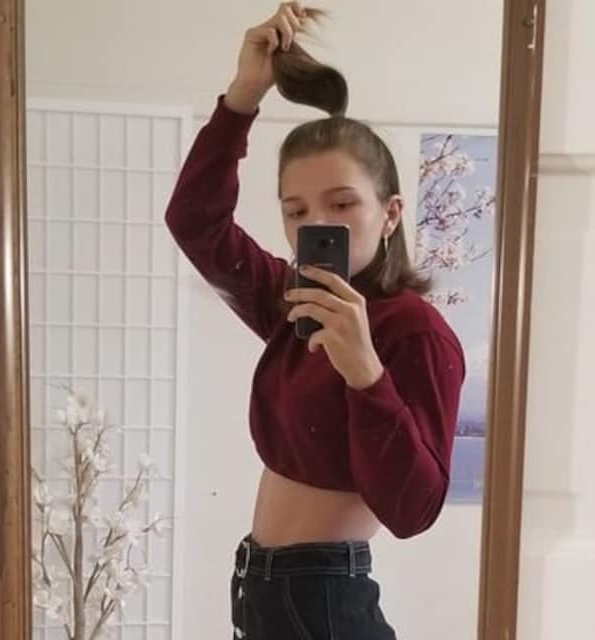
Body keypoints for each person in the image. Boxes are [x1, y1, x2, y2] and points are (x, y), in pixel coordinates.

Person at [165, 3, 465, 638]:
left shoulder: (413, 330)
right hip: (260, 588)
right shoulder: (292, 303)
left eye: (342, 203)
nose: (317, 224)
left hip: (324, 601)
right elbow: (194, 221)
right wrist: (244, 96)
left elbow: (414, 510)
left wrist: (366, 376)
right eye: (296, 210)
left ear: (390, 213)